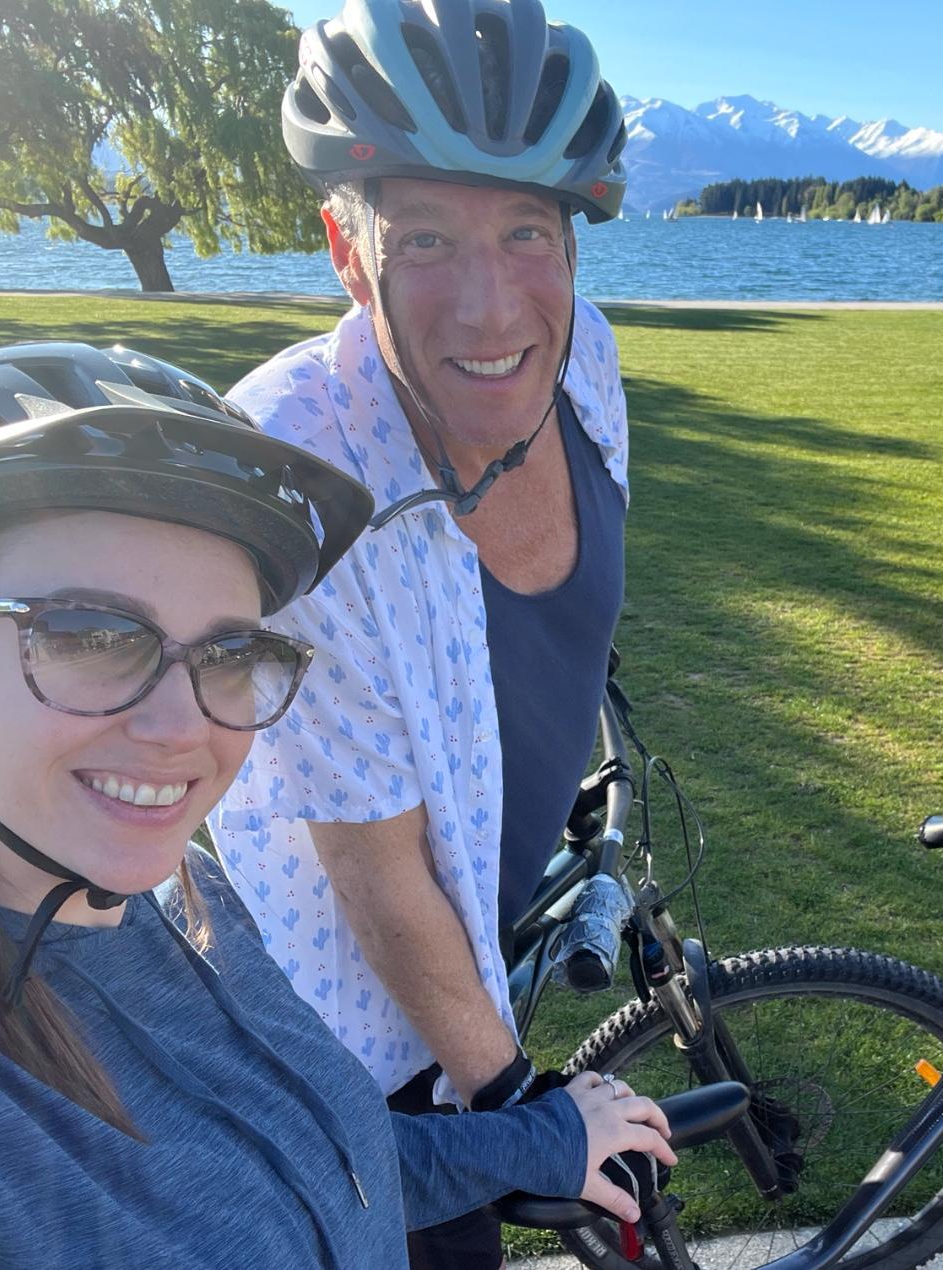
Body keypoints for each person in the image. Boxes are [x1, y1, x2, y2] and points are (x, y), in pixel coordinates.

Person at [0, 343, 674, 1268]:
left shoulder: (193, 907)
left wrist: (538, 1140)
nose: (183, 727)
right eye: (92, 635)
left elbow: (322, 1153)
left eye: (227, 653)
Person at [208, 0, 631, 1263]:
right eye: (429, 237)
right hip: (335, 1056)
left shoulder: (589, 361)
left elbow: (561, 609)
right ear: (348, 248)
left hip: (472, 945)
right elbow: (378, 880)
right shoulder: (304, 473)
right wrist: (518, 1113)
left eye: (527, 232)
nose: (493, 307)